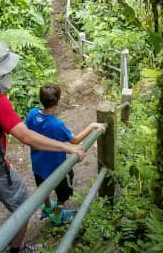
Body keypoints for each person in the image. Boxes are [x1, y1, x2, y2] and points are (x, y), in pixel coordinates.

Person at [0, 42, 85, 253]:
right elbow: (26, 137)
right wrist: (68, 148)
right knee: (24, 204)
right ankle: (17, 249)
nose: (10, 76)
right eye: (8, 72)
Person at [26, 83, 105, 226]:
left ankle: (48, 207)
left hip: (38, 164)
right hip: (57, 168)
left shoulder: (32, 114)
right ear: (57, 101)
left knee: (42, 187)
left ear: (41, 99)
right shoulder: (56, 125)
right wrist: (92, 125)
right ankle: (57, 216)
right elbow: (75, 141)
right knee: (63, 193)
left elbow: (28, 131)